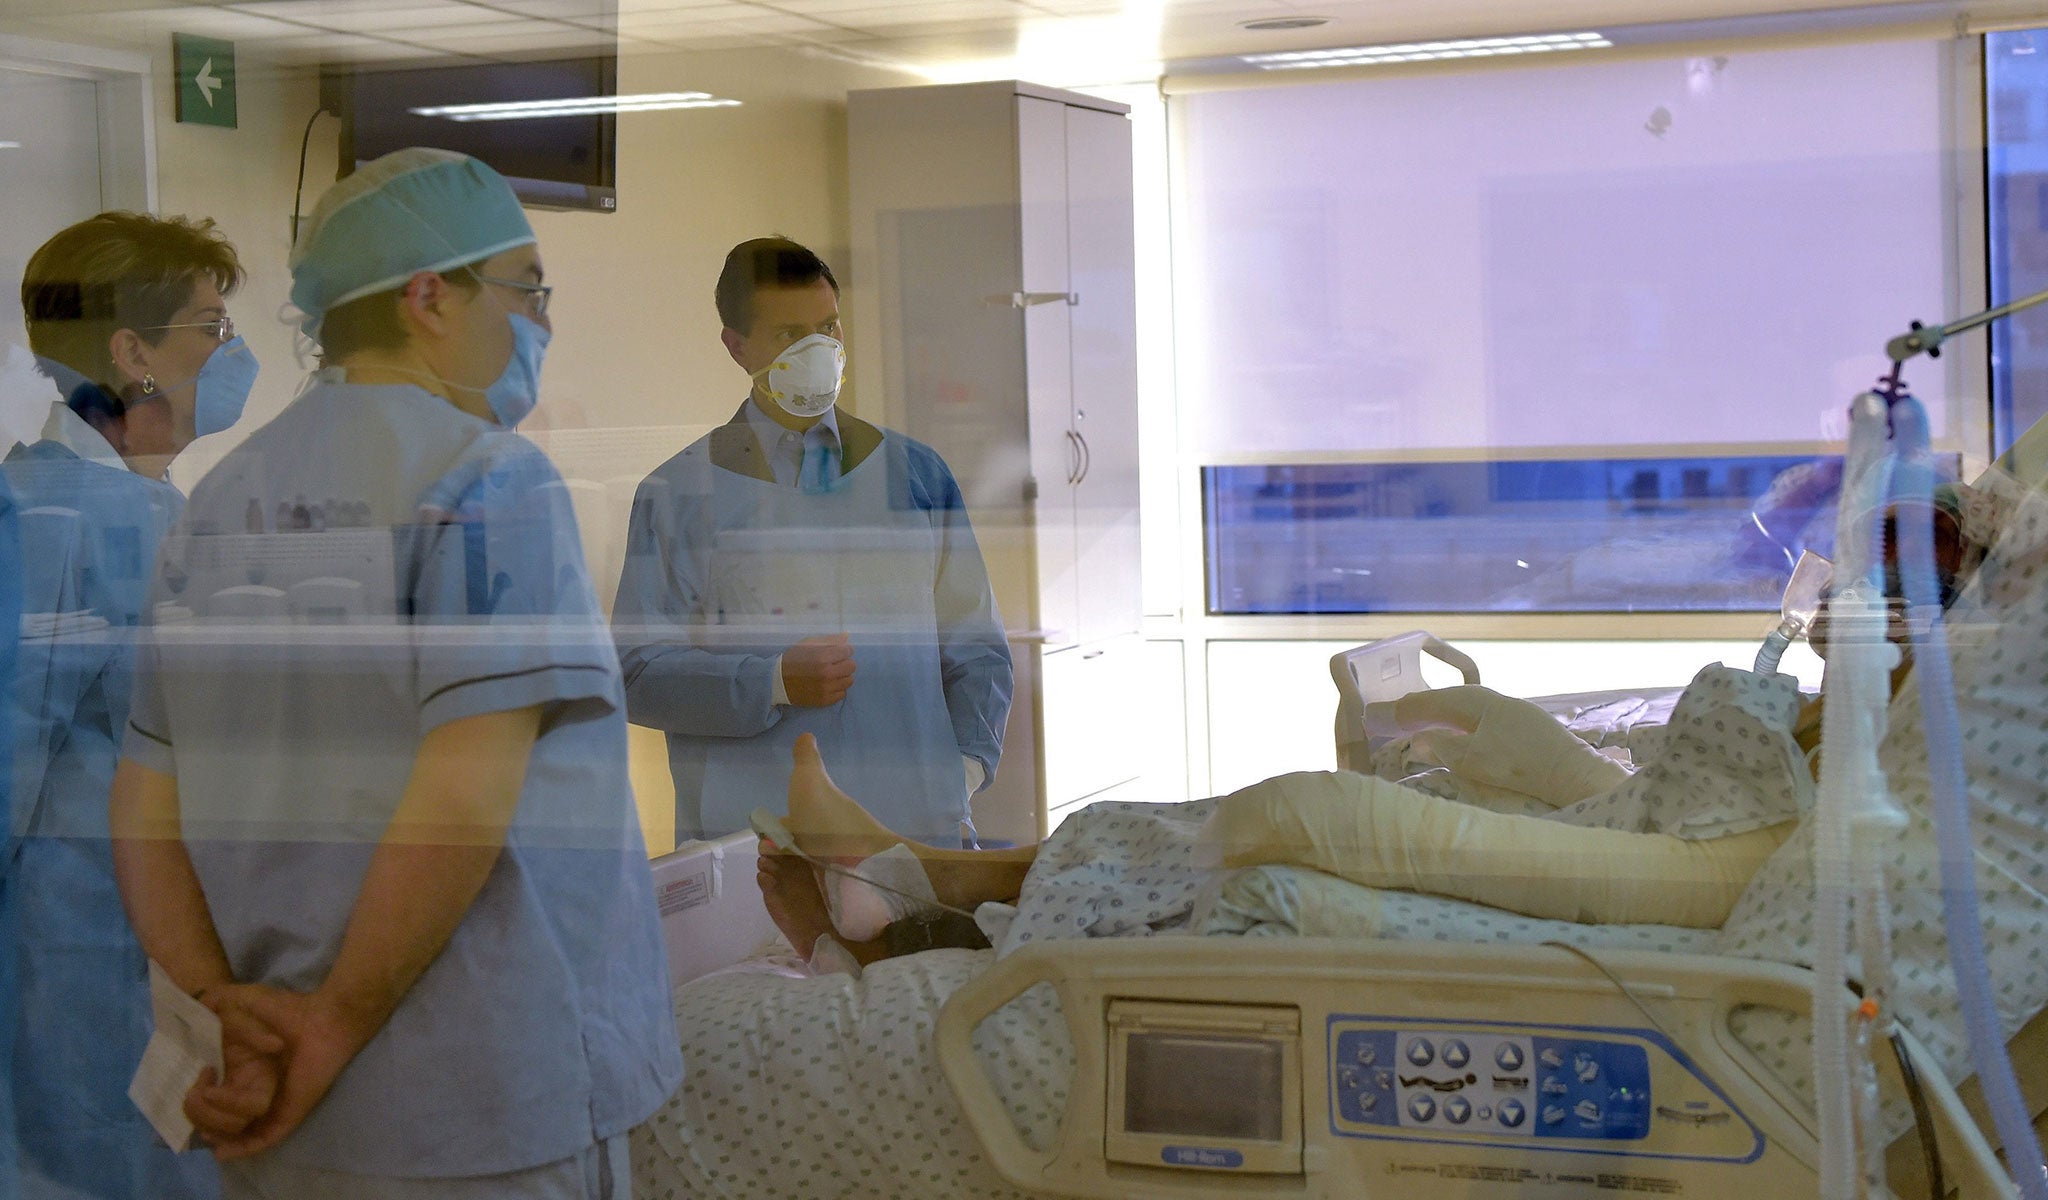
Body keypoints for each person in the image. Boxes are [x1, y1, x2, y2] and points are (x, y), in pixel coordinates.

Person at [108, 149, 681, 1199]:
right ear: (428, 296)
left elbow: (145, 802)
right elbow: (461, 795)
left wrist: (224, 1014)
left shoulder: (222, 500)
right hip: (476, 1106)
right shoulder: (484, 482)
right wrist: (330, 1027)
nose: (540, 324)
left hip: (279, 1107)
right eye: (525, 291)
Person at [3, 212, 257, 1199]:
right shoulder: (54, 520)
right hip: (77, 940)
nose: (230, 353)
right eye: (210, 326)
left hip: (152, 927)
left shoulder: (151, 505)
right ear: (131, 351)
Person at [614, 237, 1013, 848]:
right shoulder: (680, 495)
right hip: (763, 840)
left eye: (828, 327)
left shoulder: (914, 474)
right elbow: (636, 672)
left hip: (915, 829)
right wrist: (770, 681)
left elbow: (977, 647)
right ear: (737, 346)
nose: (817, 351)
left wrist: (958, 774)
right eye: (789, 335)